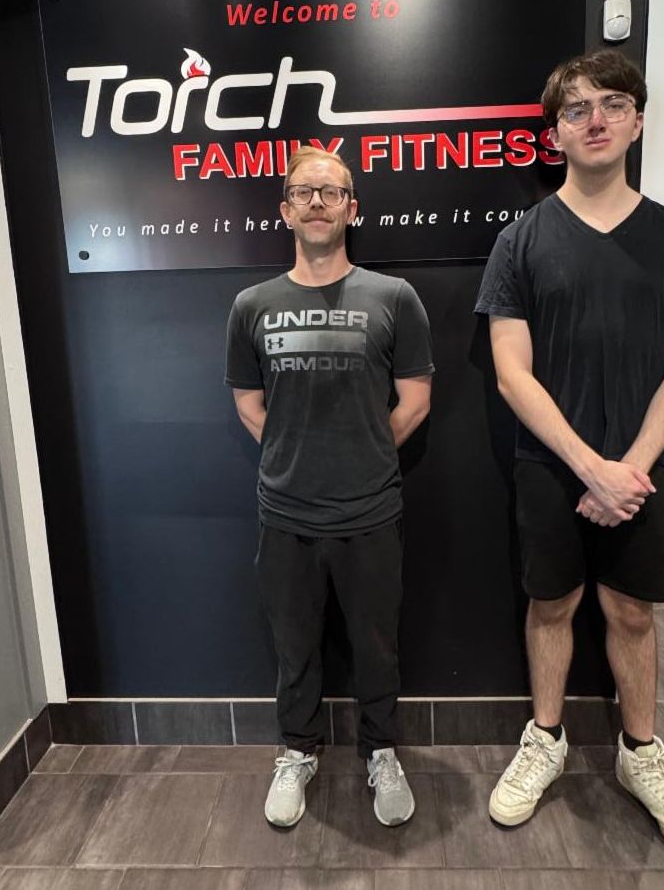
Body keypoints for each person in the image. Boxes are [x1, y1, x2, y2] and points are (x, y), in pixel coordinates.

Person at [474, 49, 664, 859]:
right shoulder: (520, 241)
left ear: (637, 121)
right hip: (552, 465)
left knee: (631, 611)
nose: (595, 120)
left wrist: (629, 470)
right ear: (555, 133)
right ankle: (544, 739)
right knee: (551, 603)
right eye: (576, 109)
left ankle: (640, 752)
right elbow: (511, 373)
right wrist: (589, 467)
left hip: (644, 468)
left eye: (612, 104)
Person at [225, 146, 433, 829]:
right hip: (285, 512)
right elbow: (249, 403)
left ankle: (381, 752)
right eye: (303, 192)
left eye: (331, 191)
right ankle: (298, 751)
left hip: (370, 509)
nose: (316, 202)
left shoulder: (393, 298)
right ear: (285, 209)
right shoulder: (252, 305)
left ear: (352, 208)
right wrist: (299, 455)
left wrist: (360, 455)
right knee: (294, 647)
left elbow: (415, 401)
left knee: (377, 645)